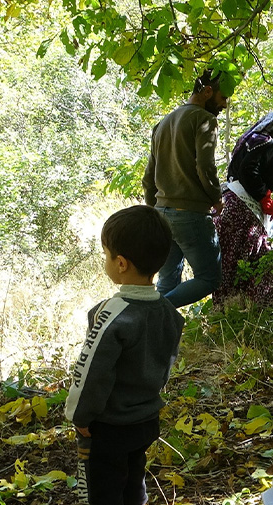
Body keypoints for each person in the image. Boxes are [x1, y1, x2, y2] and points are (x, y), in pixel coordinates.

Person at [65, 205, 185, 505]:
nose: (105, 260)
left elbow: (91, 369)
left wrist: (80, 416)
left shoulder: (112, 314)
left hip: (108, 427)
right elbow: (165, 365)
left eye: (105, 254)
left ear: (121, 263)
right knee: (133, 483)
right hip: (145, 420)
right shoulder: (169, 313)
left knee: (101, 492)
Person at [142, 69, 229, 308]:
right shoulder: (204, 119)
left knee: (167, 280)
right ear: (207, 91)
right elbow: (205, 166)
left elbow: (149, 176)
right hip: (190, 214)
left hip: (163, 212)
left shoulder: (163, 123)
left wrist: (154, 209)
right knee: (210, 278)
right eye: (222, 98)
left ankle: (158, 335)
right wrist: (216, 198)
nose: (224, 105)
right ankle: (153, 313)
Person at [213, 109, 273, 307]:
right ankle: (257, 313)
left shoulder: (254, 139)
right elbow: (249, 171)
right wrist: (263, 195)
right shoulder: (266, 143)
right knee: (261, 268)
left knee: (231, 265)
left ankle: (226, 312)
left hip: (231, 206)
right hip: (242, 211)